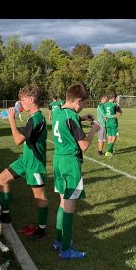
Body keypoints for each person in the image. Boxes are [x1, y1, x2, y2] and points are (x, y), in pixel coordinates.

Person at [51, 83, 99, 260]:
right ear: (78, 100)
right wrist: (93, 130)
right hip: (70, 162)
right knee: (70, 206)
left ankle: (57, 241)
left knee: (62, 202)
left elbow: (69, 120)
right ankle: (66, 249)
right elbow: (84, 145)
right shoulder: (71, 116)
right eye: (84, 104)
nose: (84, 107)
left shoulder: (57, 111)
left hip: (58, 160)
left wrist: (82, 118)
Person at [0, 86, 49, 242]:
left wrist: (11, 120)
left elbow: (18, 140)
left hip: (35, 164)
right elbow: (24, 136)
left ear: (32, 100)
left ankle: (42, 229)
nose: (20, 103)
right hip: (25, 160)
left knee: (40, 198)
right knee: (1, 179)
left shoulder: (37, 118)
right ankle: (5, 214)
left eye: (23, 100)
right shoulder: (32, 118)